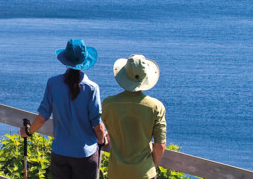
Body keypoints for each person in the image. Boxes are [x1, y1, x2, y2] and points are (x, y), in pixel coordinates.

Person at [20, 39, 109, 179]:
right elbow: (97, 125)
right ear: (84, 61)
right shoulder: (92, 88)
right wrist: (102, 139)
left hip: (60, 152)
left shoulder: (53, 83)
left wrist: (29, 131)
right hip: (84, 154)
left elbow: (43, 116)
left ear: (65, 59)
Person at [102, 54, 167, 179]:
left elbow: (109, 130)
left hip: (116, 173)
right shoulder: (156, 107)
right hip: (144, 172)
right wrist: (154, 165)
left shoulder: (109, 103)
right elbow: (160, 145)